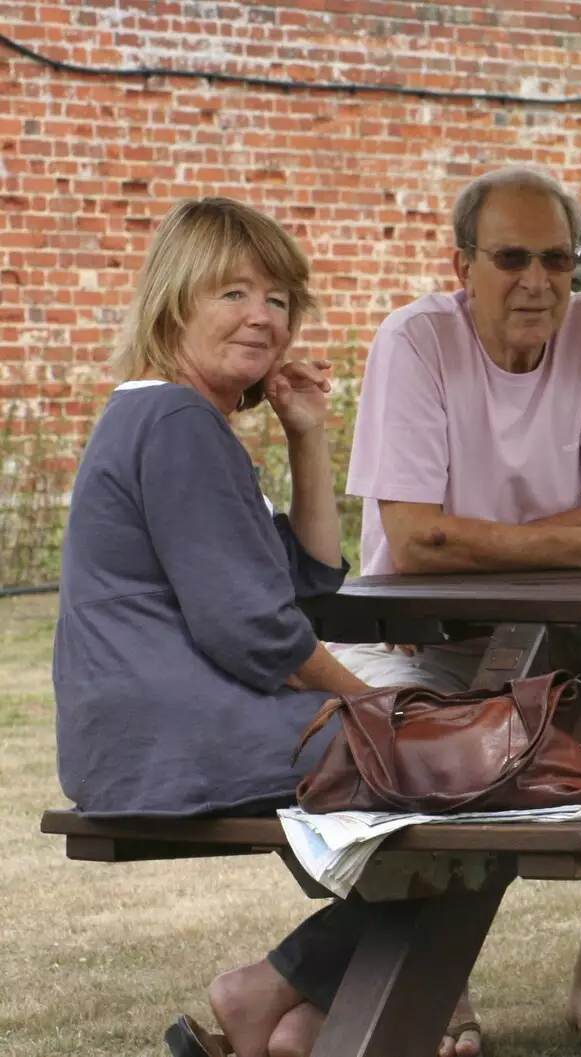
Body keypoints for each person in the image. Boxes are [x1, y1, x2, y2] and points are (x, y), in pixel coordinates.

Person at [51, 197, 443, 1057]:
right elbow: (258, 633)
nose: (262, 317)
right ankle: (268, 991)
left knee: (449, 771)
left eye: (277, 298)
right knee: (453, 773)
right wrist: (374, 714)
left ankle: (298, 1017)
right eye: (232, 293)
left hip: (152, 733)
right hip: (169, 736)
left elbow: (305, 581)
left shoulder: (176, 418)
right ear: (174, 301)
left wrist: (307, 435)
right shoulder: (178, 422)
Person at [333, 166, 581, 1056]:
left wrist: (491, 534)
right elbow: (414, 543)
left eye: (558, 259)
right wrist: (580, 535)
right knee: (416, 744)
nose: (538, 281)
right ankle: (439, 986)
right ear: (461, 263)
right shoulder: (413, 343)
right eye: (512, 258)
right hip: (414, 646)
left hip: (555, 649)